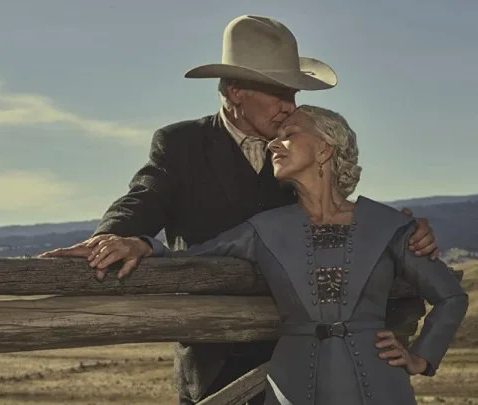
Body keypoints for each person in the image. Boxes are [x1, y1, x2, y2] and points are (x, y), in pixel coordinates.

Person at [39, 15, 439, 405]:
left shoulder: (298, 150)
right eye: (279, 92)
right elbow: (143, 198)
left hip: (301, 359)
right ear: (235, 92)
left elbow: (339, 220)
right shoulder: (182, 144)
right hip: (215, 359)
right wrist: (112, 237)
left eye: (294, 94)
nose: (290, 105)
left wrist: (401, 233)